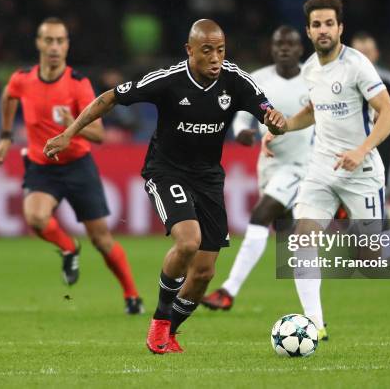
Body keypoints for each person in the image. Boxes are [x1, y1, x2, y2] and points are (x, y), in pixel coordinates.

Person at [43, 19, 286, 354]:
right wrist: (70, 132)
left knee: (203, 273)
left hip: (209, 178)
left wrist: (276, 120)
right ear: (189, 51)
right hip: (167, 171)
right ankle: (158, 321)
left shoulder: (235, 79)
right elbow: (110, 97)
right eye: (207, 50)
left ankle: (170, 330)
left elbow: (268, 112)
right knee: (188, 242)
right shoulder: (168, 80)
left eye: (220, 50)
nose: (215, 58)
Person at [270, 0, 390, 334]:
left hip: (360, 170)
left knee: (370, 257)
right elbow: (313, 111)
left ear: (340, 27)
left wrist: (361, 150)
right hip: (322, 168)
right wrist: (284, 126)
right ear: (309, 31)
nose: (323, 30)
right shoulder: (310, 70)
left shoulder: (357, 64)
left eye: (329, 23)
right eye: (317, 25)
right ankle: (314, 323)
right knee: (302, 238)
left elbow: (389, 113)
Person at [0, 17, 143, 315]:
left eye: (60, 41)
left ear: (67, 46)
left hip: (77, 165)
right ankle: (68, 248)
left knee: (101, 239)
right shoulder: (22, 79)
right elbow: (8, 96)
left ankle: (132, 295)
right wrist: (6, 134)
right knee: (35, 217)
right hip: (42, 165)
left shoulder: (78, 84)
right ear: (38, 43)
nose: (54, 47)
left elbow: (99, 134)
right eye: (48, 40)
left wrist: (71, 125)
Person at [201, 26, 315, 315]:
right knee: (294, 241)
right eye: (279, 44)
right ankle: (315, 318)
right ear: (272, 48)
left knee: (260, 215)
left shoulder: (313, 80)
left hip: (303, 166)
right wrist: (241, 132)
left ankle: (228, 290)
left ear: (300, 49)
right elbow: (241, 113)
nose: (284, 49)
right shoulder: (259, 79)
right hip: (270, 166)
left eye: (290, 44)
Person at [350, 32, 390, 220]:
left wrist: (383, 113)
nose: (363, 57)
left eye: (367, 52)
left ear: (376, 54)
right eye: (358, 52)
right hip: (348, 149)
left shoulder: (389, 81)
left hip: (382, 151)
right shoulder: (341, 80)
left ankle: (385, 244)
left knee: (380, 205)